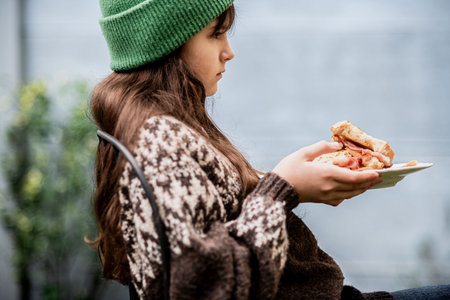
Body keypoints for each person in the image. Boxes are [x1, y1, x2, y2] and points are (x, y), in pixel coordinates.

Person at [89, 1, 450, 299]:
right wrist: (281, 190)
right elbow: (200, 287)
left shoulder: (159, 126)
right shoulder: (159, 143)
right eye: (215, 34)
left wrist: (294, 182)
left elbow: (219, 220)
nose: (228, 51)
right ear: (165, 44)